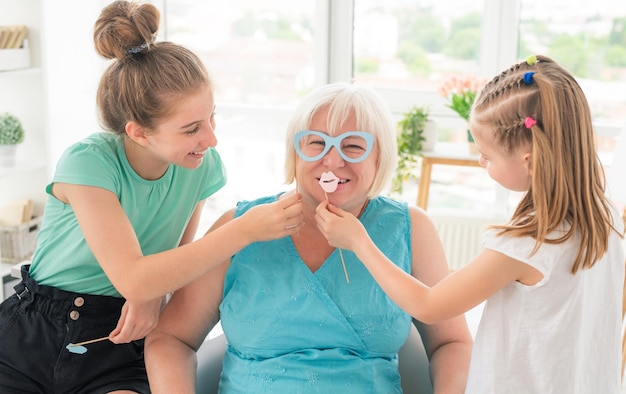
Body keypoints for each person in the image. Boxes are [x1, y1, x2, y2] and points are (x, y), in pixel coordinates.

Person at [0, 2, 303, 393]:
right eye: (192, 128)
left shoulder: (203, 167)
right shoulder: (89, 163)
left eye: (212, 117)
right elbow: (134, 276)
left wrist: (151, 296)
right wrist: (243, 231)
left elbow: (176, 258)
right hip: (35, 331)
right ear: (139, 133)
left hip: (118, 337)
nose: (211, 139)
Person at [315, 55, 625, 393]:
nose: (480, 161)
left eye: (487, 156)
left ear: (529, 160)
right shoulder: (607, 218)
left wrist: (359, 241)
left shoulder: (528, 243)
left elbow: (429, 306)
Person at [145, 82, 473, 393]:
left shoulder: (411, 229)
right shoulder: (239, 227)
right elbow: (172, 338)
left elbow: (452, 341)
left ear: (379, 157)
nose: (333, 160)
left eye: (354, 145)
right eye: (316, 142)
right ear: (295, 152)